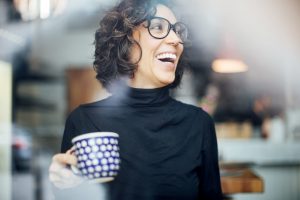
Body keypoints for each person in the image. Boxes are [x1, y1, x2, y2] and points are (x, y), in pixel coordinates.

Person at [49, 0, 222, 199]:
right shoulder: (85, 121)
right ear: (125, 40)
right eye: (158, 27)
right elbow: (72, 192)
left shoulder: (198, 124)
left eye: (177, 31)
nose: (176, 40)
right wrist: (63, 185)